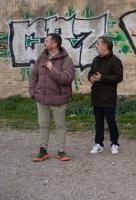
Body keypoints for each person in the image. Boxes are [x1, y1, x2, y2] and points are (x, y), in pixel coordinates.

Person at [29, 33, 75, 162]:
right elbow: (33, 76)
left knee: (60, 126)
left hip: (58, 100)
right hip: (42, 99)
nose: (45, 42)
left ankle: (61, 151)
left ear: (55, 44)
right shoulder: (41, 58)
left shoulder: (66, 60)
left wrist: (52, 69)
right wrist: (33, 92)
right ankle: (42, 151)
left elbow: (67, 78)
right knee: (43, 125)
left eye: (47, 40)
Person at [88, 36, 123, 155]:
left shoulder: (115, 60)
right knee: (98, 122)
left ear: (105, 45)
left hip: (109, 97)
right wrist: (91, 78)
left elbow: (119, 77)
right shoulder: (96, 59)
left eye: (98, 43)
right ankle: (99, 143)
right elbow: (90, 73)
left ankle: (114, 143)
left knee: (111, 121)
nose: (96, 45)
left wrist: (102, 78)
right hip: (96, 95)